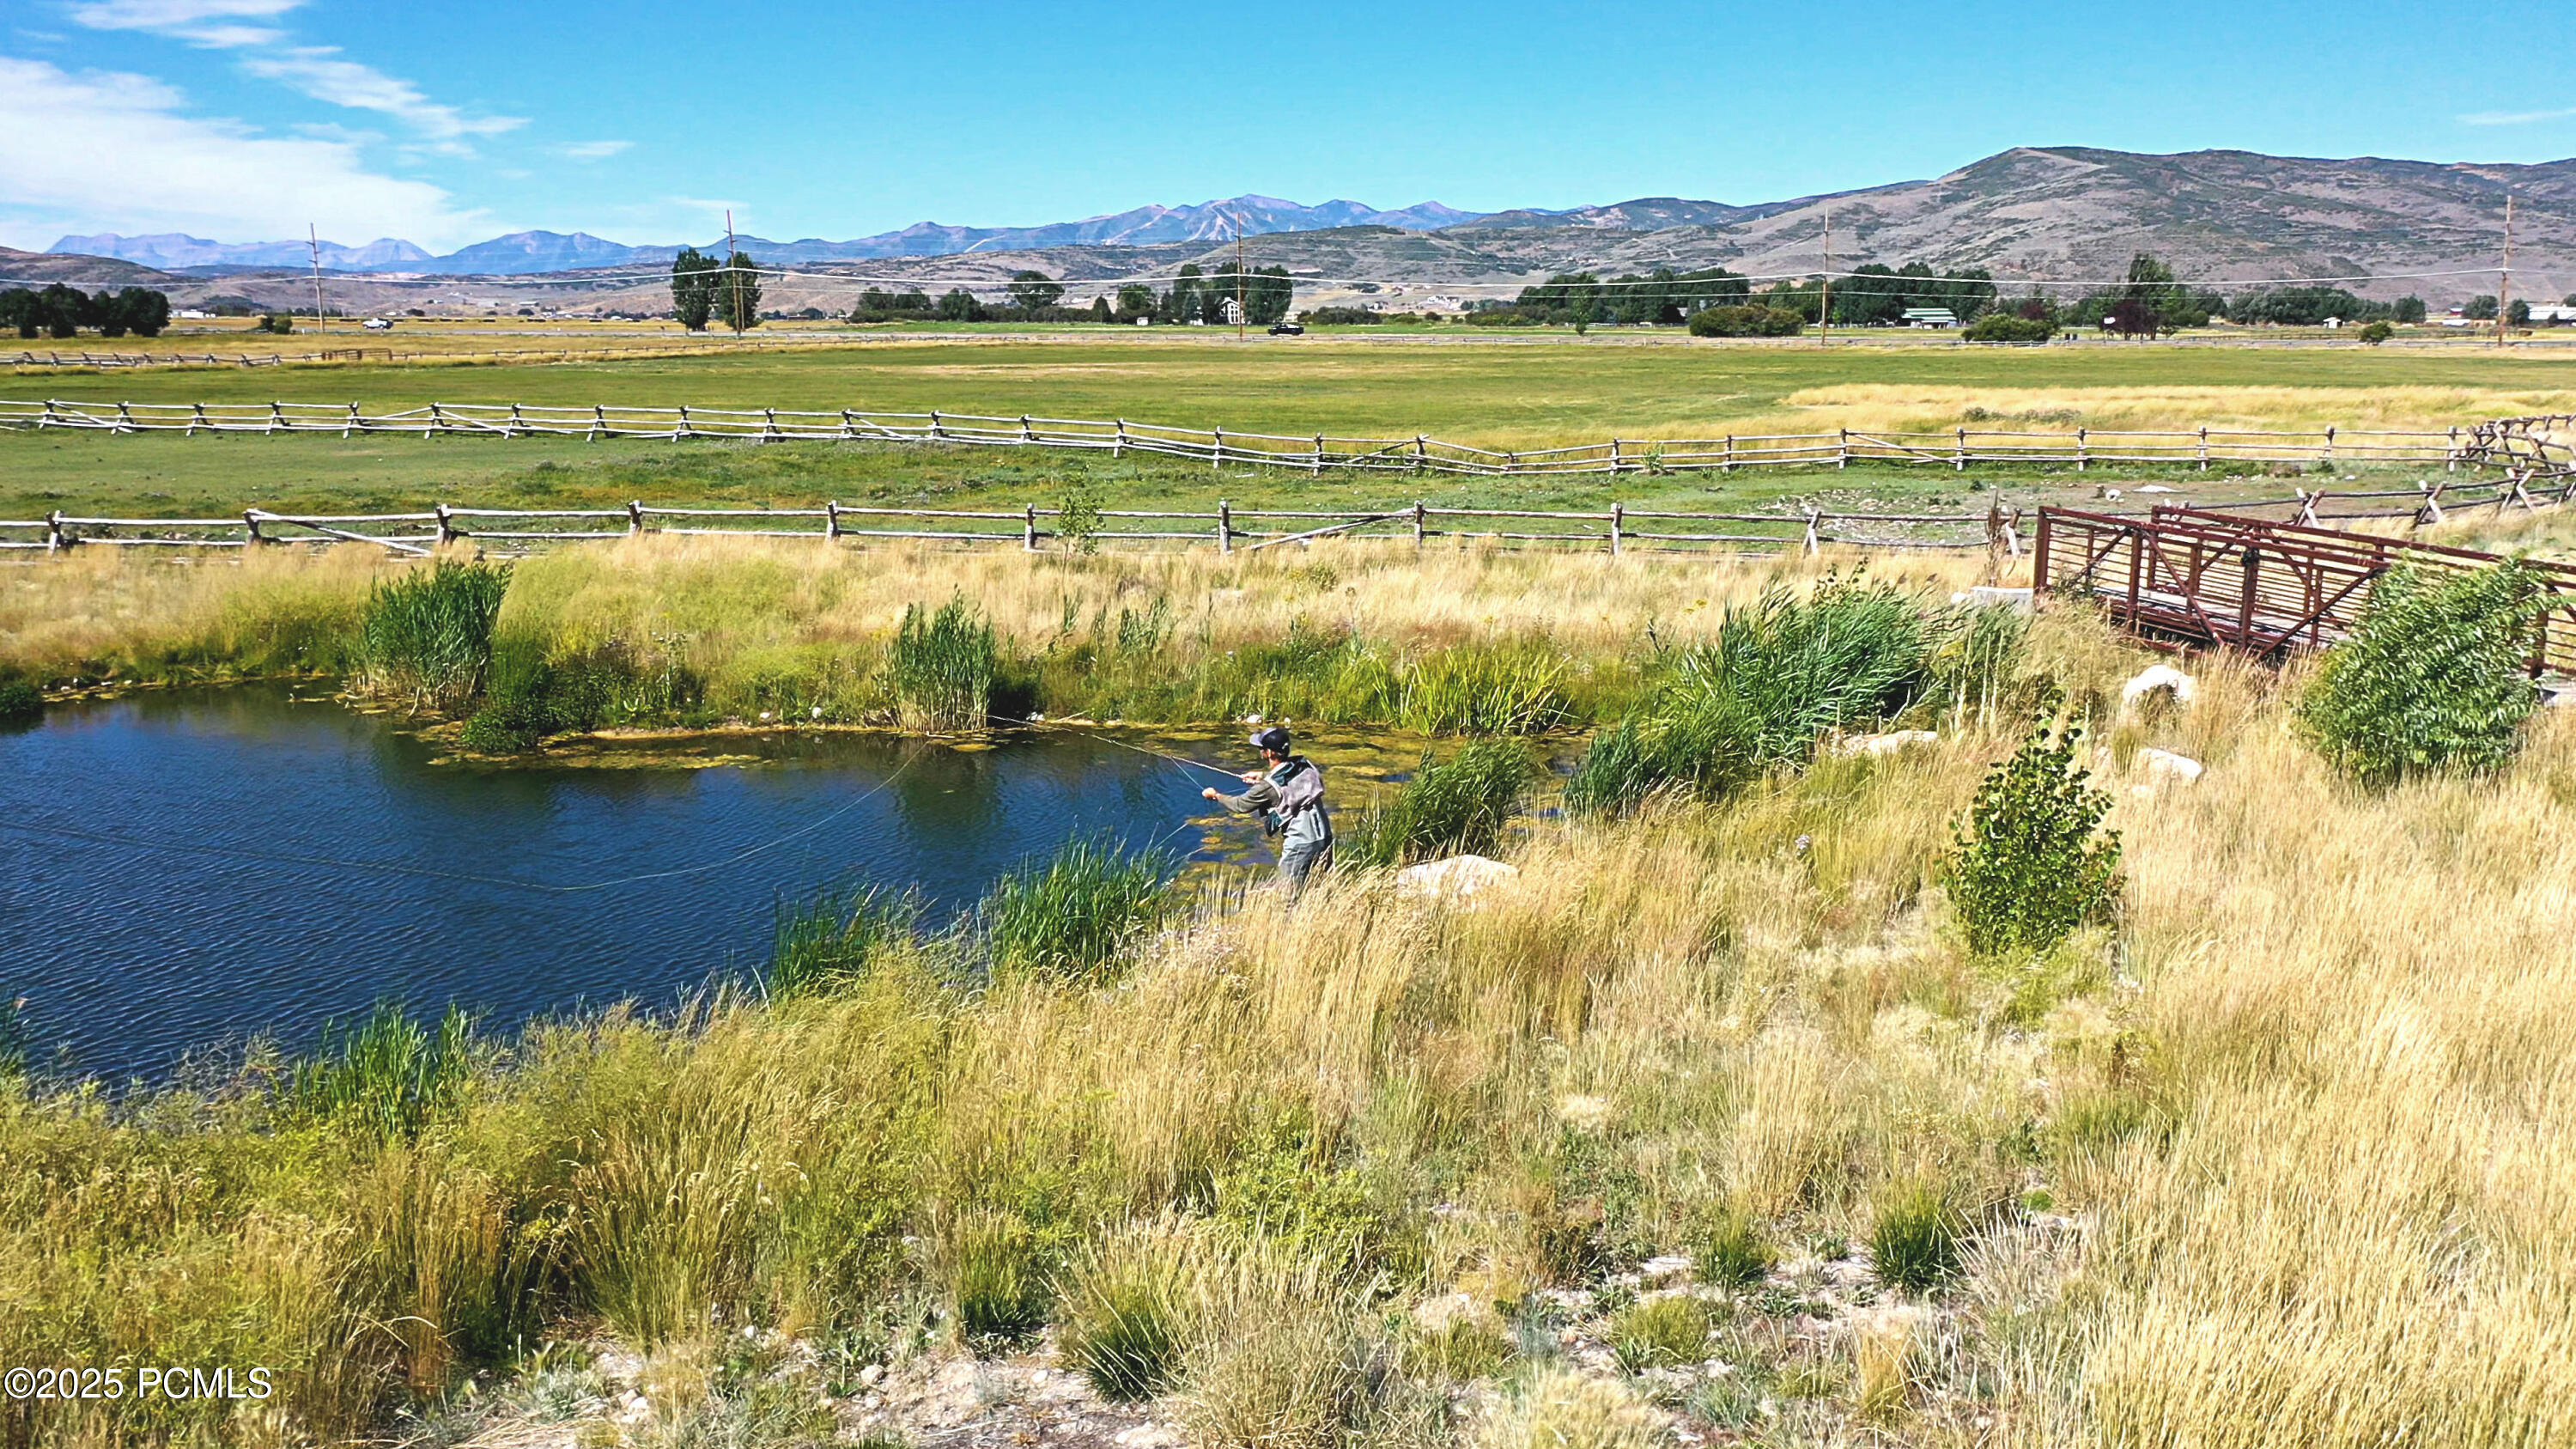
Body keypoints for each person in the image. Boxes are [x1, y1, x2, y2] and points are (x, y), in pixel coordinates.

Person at [1205, 725, 1332, 895]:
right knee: (1320, 889)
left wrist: (1216, 795)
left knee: (1289, 896)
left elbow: (1240, 805)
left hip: (1300, 843)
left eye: (1262, 748)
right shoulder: (1305, 765)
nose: (1260, 751)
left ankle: (1290, 922)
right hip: (1325, 835)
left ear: (1270, 753)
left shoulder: (1267, 787)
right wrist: (1263, 776)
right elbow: (1289, 779)